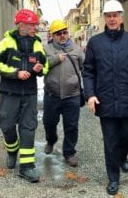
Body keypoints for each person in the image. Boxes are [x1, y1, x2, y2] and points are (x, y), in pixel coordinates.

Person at [82, 0, 128, 195]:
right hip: (105, 101)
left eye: (115, 15)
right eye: (109, 15)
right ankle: (113, 178)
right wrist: (90, 95)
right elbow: (88, 72)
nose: (112, 19)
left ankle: (122, 156)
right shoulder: (95, 43)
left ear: (121, 17)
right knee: (111, 141)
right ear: (105, 18)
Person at [0, 9, 48, 183]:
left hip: (29, 94)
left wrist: (39, 69)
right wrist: (16, 73)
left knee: (28, 128)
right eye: (32, 25)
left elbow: (44, 66)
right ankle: (12, 149)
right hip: (9, 94)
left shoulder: (37, 44)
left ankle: (27, 167)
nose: (35, 28)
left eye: (36, 25)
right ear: (21, 25)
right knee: (7, 126)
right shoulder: (6, 42)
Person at [42, 19, 84, 167]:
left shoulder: (77, 50)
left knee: (71, 125)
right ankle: (51, 140)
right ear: (52, 35)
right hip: (51, 95)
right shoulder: (45, 50)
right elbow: (40, 69)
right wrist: (54, 59)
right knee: (49, 123)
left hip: (72, 95)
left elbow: (85, 69)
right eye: (58, 33)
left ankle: (69, 152)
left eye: (65, 32)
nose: (62, 35)